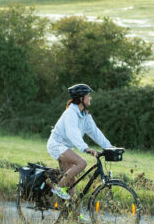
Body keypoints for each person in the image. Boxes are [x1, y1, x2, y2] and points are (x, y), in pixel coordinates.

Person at [47, 83, 115, 215]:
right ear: (81, 99)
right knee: (82, 163)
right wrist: (86, 149)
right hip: (56, 145)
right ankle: (58, 188)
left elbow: (95, 132)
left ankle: (75, 215)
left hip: (66, 147)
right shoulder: (70, 114)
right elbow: (73, 135)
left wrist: (110, 147)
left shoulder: (85, 116)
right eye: (88, 95)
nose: (90, 98)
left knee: (72, 183)